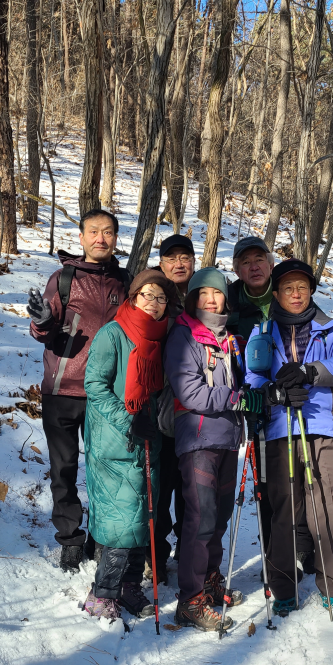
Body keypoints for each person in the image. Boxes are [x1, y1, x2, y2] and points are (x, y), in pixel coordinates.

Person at [245, 259, 333, 616]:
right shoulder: (262, 332)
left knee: (330, 510)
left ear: (311, 292)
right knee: (283, 514)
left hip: (323, 429)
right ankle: (283, 588)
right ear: (276, 293)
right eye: (288, 288)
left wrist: (311, 372)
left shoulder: (328, 329)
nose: (296, 294)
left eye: (303, 288)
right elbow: (252, 376)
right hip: (280, 431)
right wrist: (274, 392)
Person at [27, 209, 131, 573]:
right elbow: (43, 330)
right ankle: (70, 538)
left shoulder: (125, 282)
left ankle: (102, 536)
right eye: (94, 231)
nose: (101, 238)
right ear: (82, 237)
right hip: (62, 389)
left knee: (106, 470)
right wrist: (42, 322)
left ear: (115, 237)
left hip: (107, 393)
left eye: (108, 231)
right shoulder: (63, 279)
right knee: (64, 468)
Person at [164, 267, 262, 631]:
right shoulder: (184, 335)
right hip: (198, 439)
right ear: (192, 298)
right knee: (200, 517)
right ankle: (189, 601)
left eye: (217, 293)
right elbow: (189, 392)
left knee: (218, 517)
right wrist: (236, 398)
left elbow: (242, 382)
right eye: (203, 293)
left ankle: (209, 581)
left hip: (227, 439)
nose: (210, 299)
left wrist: (250, 395)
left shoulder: (228, 339)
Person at [81, 269, 175, 620]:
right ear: (133, 297)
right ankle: (102, 593)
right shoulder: (113, 333)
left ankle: (131, 586)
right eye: (147, 295)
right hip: (115, 442)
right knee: (121, 521)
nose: (154, 303)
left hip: (147, 442)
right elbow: (95, 385)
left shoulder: (161, 338)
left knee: (143, 517)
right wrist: (129, 420)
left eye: (161, 297)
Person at [227, 237, 315, 577]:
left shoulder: (288, 292)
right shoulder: (229, 303)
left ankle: (302, 547)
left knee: (303, 474)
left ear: (270, 263)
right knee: (267, 483)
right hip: (256, 403)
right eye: (245, 262)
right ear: (237, 269)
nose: (254, 267)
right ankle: (275, 555)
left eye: (259, 259)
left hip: (298, 403)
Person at [151, 233, 196, 579]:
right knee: (160, 484)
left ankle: (188, 548)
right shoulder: (152, 297)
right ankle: (156, 553)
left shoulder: (204, 296)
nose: (179, 264)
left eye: (185, 257)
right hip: (158, 408)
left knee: (190, 487)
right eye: (172, 258)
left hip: (195, 410)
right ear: (162, 263)